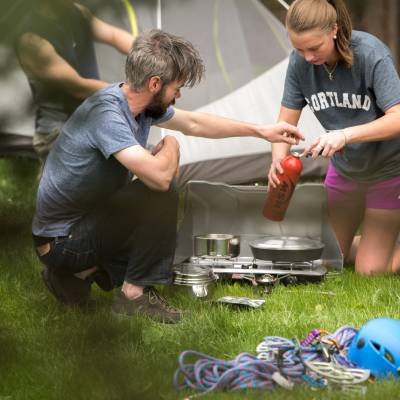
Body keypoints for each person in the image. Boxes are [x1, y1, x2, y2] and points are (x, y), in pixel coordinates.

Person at [32, 29, 304, 323]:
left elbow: (196, 124)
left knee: (152, 205)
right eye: (177, 87)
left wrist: (262, 131)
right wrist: (172, 145)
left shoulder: (140, 104)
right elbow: (160, 179)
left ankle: (77, 274)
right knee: (160, 193)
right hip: (62, 240)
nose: (179, 94)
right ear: (154, 83)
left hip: (80, 224)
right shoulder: (107, 114)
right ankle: (132, 295)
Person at [268, 0, 400, 275]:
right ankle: (374, 244)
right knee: (327, 261)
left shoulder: (371, 54)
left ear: (334, 30)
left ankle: (377, 249)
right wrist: (278, 160)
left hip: (389, 170)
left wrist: (344, 135)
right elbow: (284, 125)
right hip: (346, 171)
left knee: (370, 270)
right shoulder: (300, 63)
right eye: (299, 49)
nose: (307, 57)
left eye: (314, 48)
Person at [15, 0, 134, 159]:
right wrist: (134, 91)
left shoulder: (76, 12)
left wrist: (152, 54)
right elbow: (79, 88)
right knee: (139, 165)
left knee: (142, 162)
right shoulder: (31, 40)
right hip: (58, 134)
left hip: (93, 120)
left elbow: (113, 35)